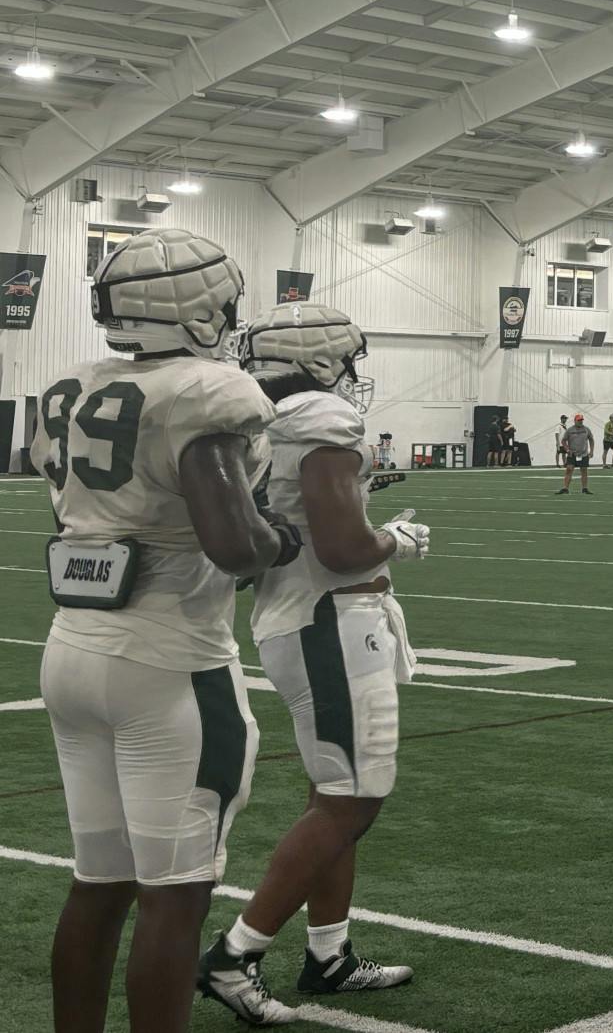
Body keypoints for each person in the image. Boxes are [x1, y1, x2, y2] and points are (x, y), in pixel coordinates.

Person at [33, 228, 283, 1033]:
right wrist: (281, 534)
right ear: (198, 309)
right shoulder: (205, 391)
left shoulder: (72, 384)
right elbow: (235, 545)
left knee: (97, 883)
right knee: (173, 901)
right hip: (170, 663)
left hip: (72, 650)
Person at [197, 303, 430, 1022]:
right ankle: (235, 954)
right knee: (352, 798)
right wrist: (398, 538)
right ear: (326, 359)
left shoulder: (258, 415)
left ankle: (329, 954)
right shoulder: (319, 416)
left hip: (297, 616)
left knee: (336, 793)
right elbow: (343, 549)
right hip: (328, 620)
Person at [556, 413, 594, 494]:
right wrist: (567, 449)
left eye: (581, 420)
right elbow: (563, 440)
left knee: (584, 471)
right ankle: (565, 488)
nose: (580, 422)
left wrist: (591, 451)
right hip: (572, 454)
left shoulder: (586, 429)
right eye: (579, 420)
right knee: (569, 470)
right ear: (575, 421)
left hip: (583, 454)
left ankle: (584, 489)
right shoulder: (570, 430)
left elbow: (591, 439)